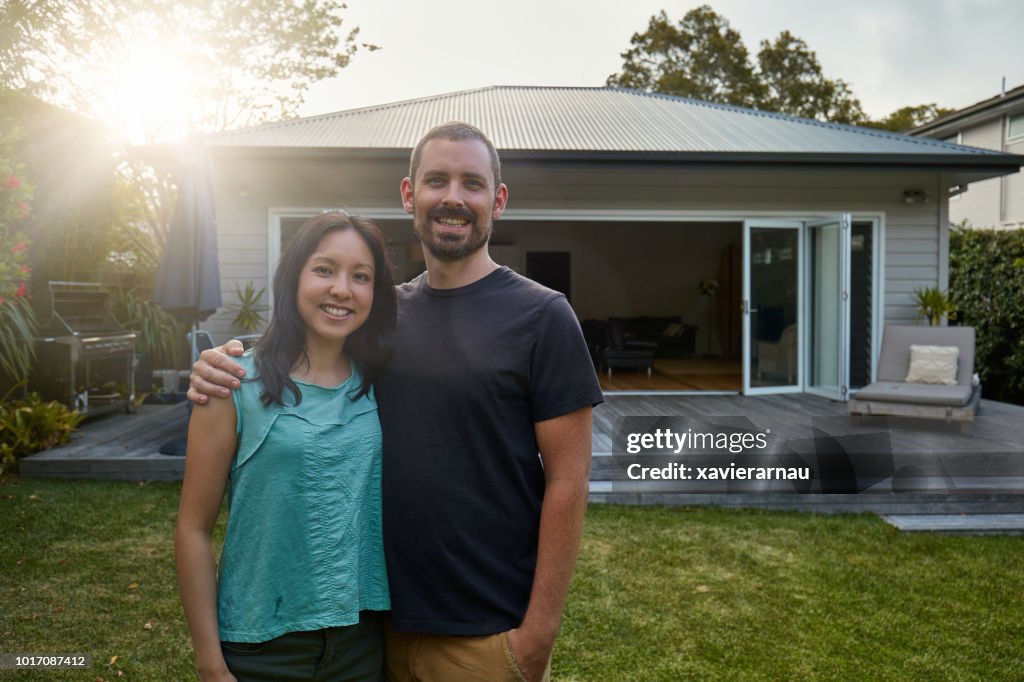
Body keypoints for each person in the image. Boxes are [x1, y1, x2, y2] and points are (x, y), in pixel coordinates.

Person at [189, 122, 604, 682]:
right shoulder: (382, 318)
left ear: (497, 200)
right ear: (410, 195)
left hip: (487, 631)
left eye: (471, 183)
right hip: (380, 628)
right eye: (436, 180)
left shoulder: (543, 317)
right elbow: (309, 350)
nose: (452, 198)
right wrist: (223, 361)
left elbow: (569, 480)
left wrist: (537, 635)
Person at [175, 211, 397, 682]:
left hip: (363, 642)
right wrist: (210, 663)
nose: (342, 289)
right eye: (324, 269)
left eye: (361, 277)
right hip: (261, 647)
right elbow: (194, 529)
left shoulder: (385, 384)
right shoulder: (232, 383)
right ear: (292, 276)